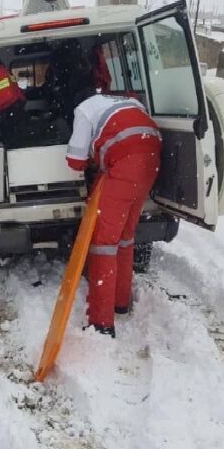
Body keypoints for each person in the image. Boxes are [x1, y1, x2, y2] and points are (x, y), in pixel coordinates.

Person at [65, 94, 162, 338]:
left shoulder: (83, 109)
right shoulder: (131, 103)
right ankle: (121, 302)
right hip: (152, 158)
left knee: (103, 244)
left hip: (124, 165)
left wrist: (90, 159)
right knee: (125, 238)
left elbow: (75, 160)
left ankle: (101, 323)